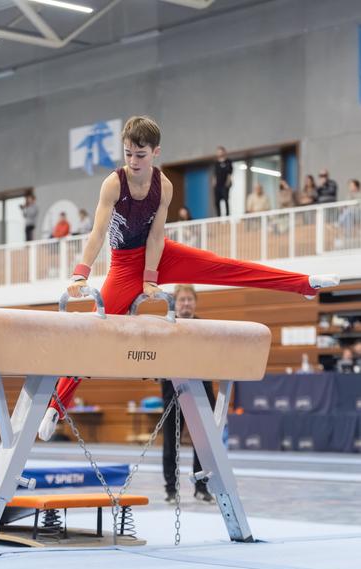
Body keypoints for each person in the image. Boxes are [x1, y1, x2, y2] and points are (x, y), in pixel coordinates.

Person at [38, 115, 340, 441]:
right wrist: (80, 274)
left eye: (140, 155)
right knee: (93, 332)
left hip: (160, 254)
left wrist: (151, 278)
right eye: (128, 154)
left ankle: (302, 284)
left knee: (224, 266)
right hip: (124, 265)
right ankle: (56, 405)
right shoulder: (114, 183)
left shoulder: (163, 186)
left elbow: (155, 236)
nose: (133, 161)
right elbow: (97, 233)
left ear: (155, 152)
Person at [161, 284, 217, 503]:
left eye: (189, 300)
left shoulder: (206, 328)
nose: (186, 304)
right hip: (172, 389)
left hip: (202, 390)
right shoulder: (167, 325)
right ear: (175, 302)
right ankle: (171, 489)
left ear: (195, 302)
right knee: (170, 443)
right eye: (182, 300)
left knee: (203, 442)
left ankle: (201, 487)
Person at [213, 146, 233, 217]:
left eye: (221, 151)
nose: (219, 153)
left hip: (225, 184)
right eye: (218, 152)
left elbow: (229, 173)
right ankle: (219, 216)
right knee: (216, 201)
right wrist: (214, 183)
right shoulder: (216, 163)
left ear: (224, 152)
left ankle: (227, 215)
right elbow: (214, 174)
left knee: (226, 200)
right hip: (217, 185)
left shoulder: (228, 162)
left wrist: (227, 183)